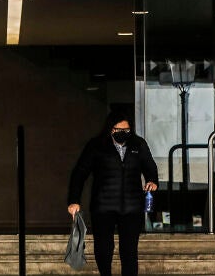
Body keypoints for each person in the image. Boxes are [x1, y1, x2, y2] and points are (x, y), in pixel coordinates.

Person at [67, 111, 159, 276]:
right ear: (110, 128)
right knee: (103, 248)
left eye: (126, 130)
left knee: (129, 250)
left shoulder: (138, 144)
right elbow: (80, 173)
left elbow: (150, 166)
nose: (123, 133)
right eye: (118, 130)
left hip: (132, 206)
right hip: (103, 205)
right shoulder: (96, 146)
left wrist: (152, 180)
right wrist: (74, 200)